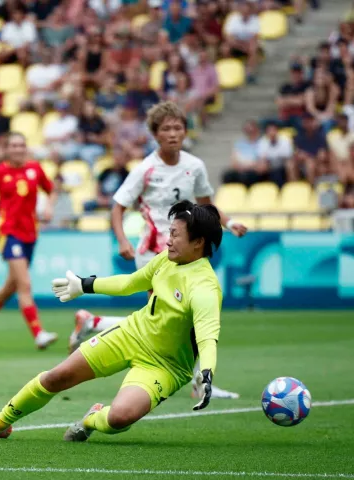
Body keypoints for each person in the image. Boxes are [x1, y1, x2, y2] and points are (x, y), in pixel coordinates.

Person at [0, 201, 228, 441]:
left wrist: (207, 373)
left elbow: (207, 337)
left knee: (119, 419)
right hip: (131, 335)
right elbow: (129, 283)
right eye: (169, 233)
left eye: (175, 235)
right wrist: (84, 285)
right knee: (58, 376)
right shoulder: (166, 260)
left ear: (198, 242)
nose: (168, 241)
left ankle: (91, 418)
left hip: (166, 366)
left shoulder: (205, 287)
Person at [68, 101, 246, 400]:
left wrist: (229, 223)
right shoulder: (146, 169)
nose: (173, 134)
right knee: (164, 318)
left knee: (173, 318)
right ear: (155, 134)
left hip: (188, 251)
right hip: (155, 250)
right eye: (166, 129)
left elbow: (206, 206)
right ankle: (199, 382)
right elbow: (117, 207)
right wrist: (123, 239)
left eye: (178, 127)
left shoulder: (194, 166)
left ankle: (94, 322)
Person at [0, 132, 60, 349]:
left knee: (11, 285)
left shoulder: (34, 169)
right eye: (14, 145)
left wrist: (49, 206)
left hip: (30, 234)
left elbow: (51, 190)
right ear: (7, 149)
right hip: (9, 233)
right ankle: (38, 333)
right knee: (25, 285)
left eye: (21, 145)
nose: (18, 149)